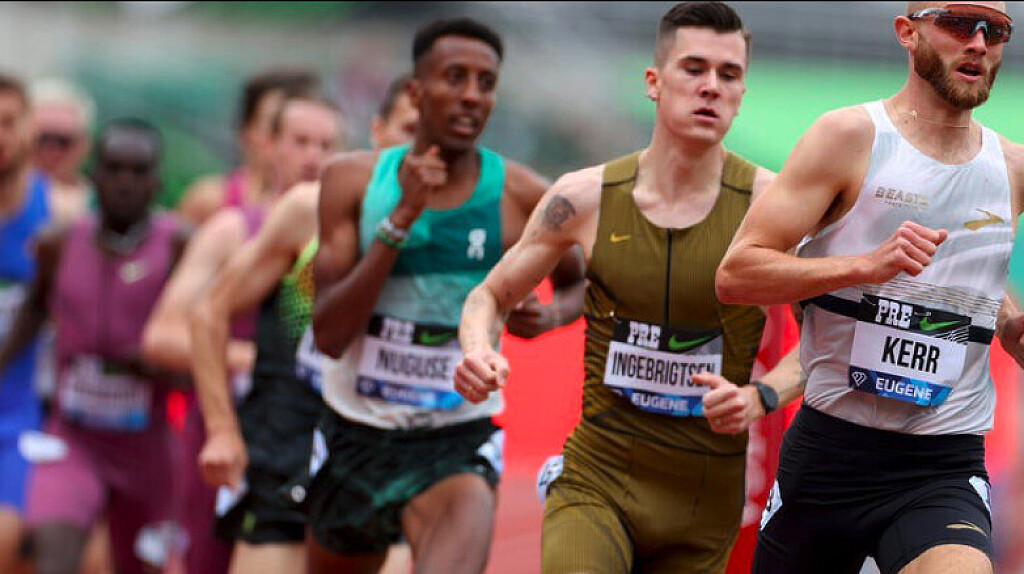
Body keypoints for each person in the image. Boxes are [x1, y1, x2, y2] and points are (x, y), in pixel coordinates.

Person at [453, 3, 805, 573]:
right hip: (598, 475)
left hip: (704, 499)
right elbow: (488, 296)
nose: (711, 87)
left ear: (742, 93)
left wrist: (760, 396)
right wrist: (477, 350)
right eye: (694, 68)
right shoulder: (583, 196)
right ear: (653, 82)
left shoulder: (773, 207)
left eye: (729, 74)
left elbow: (828, 339)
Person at [715, 2, 1022, 573]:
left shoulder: (1012, 167)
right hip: (829, 458)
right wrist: (863, 266)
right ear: (908, 31)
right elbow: (737, 274)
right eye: (958, 22)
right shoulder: (848, 136)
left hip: (942, 466)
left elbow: (976, 273)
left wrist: (1010, 326)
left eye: (996, 29)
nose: (979, 43)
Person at [310, 17, 585, 574]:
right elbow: (330, 336)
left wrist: (552, 315)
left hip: (456, 439)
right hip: (354, 432)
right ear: (416, 92)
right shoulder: (350, 181)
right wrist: (400, 220)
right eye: (454, 77)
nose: (471, 95)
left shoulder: (522, 195)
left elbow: (583, 279)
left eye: (486, 82)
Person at [141, 93, 341, 574]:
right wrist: (247, 359)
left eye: (325, 145)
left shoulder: (347, 236)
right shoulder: (232, 229)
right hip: (225, 433)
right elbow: (162, 336)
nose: (313, 156)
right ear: (269, 146)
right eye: (300, 141)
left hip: (310, 440)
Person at [0, 118, 188, 574]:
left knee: (137, 565)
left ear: (157, 181)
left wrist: (160, 366)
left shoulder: (179, 245)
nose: (125, 183)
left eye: (138, 171)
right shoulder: (60, 242)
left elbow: (203, 335)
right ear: (94, 175)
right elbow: (33, 310)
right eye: (114, 169)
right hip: (75, 436)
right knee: (53, 554)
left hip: (150, 445)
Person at [0, 72, 52, 574]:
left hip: (20, 418)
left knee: (8, 544)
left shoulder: (61, 214)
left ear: (28, 127)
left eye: (7, 122)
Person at [176, 69, 321, 225]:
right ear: (246, 130)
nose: (282, 138)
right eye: (274, 125)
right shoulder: (209, 200)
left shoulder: (319, 206)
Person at [29, 78, 96, 225]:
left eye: (63, 141)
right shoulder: (9, 200)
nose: (51, 150)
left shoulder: (104, 201)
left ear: (84, 144)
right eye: (43, 139)